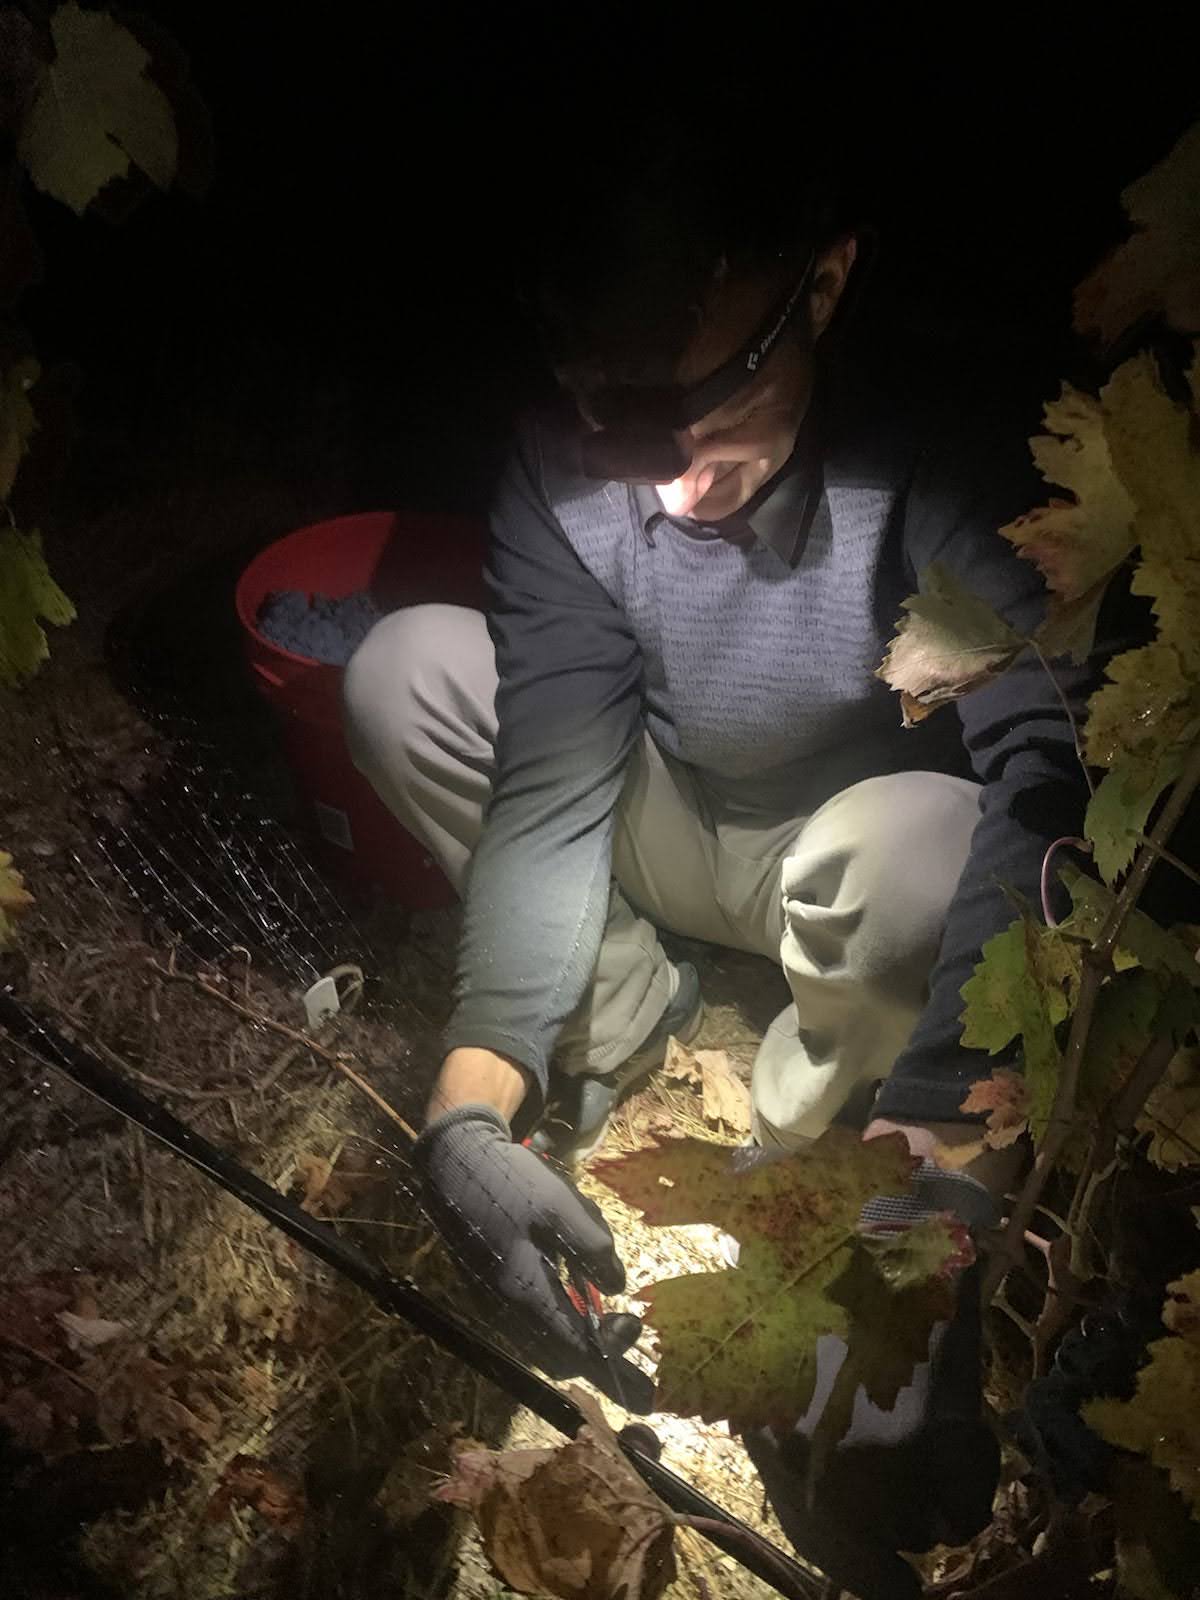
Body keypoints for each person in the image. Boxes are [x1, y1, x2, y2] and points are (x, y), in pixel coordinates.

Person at [341, 99, 1104, 1593]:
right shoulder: (564, 465)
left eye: (705, 405)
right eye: (611, 410)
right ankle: (617, 1020)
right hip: (668, 808)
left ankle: (821, 1110)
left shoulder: (936, 448)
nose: (670, 479)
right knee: (407, 669)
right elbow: (552, 776)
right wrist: (466, 1113)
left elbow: (1049, 774)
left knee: (931, 847)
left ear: (823, 284)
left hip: (839, 846)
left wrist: (945, 1192)